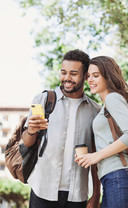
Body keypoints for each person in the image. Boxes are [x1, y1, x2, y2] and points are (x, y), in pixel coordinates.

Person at [22, 49, 101, 208]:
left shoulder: (95, 111)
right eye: (63, 72)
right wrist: (31, 130)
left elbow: (95, 157)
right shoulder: (43, 100)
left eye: (73, 73)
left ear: (85, 76)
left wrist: (97, 193)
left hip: (77, 194)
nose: (66, 78)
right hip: (42, 189)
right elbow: (27, 142)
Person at [76, 56, 128, 208]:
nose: (90, 80)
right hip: (112, 177)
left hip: (118, 174)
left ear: (108, 76)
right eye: (88, 76)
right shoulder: (105, 105)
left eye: (96, 76)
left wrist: (95, 156)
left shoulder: (113, 98)